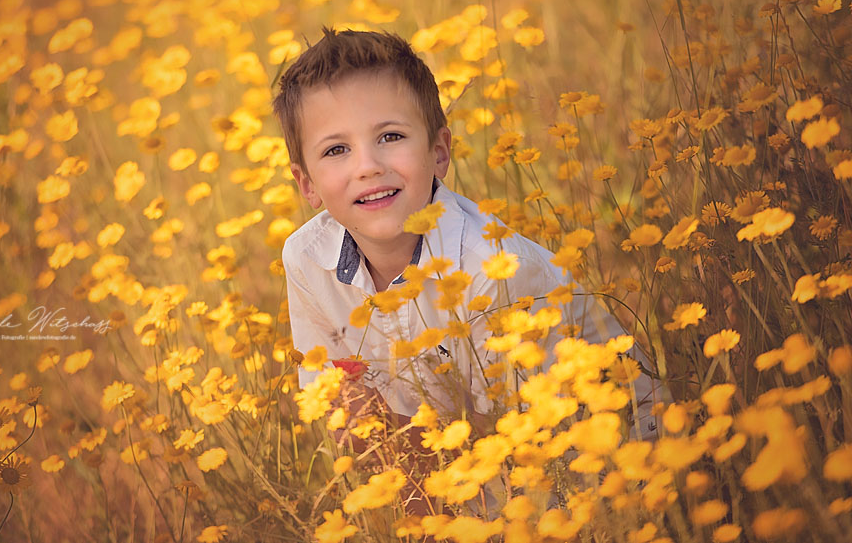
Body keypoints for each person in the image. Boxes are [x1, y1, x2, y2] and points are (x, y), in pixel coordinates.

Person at [274, 28, 655, 435]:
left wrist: (386, 432)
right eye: (336, 150)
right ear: (307, 184)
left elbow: (516, 448)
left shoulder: (495, 272)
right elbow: (340, 414)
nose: (367, 166)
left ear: (438, 153)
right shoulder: (307, 259)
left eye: (391, 136)